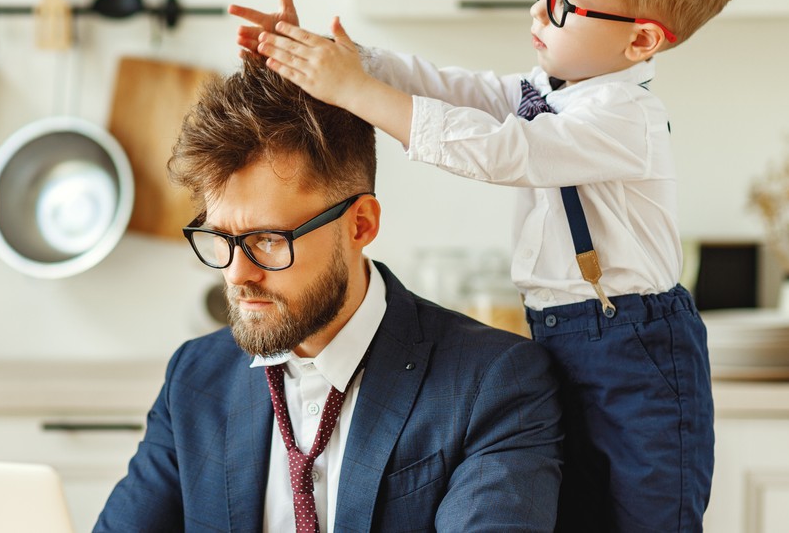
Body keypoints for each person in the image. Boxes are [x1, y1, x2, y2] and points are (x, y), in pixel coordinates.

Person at [228, 0, 741, 530]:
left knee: (645, 517)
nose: (537, 9)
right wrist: (342, 60)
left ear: (641, 40)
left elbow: (502, 151)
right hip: (562, 335)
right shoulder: (552, 89)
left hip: (636, 354)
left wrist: (354, 91)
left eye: (562, 3)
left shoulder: (624, 118)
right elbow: (455, 89)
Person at [93, 58, 565, 532]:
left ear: (360, 224)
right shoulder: (195, 380)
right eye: (222, 237)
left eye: (269, 239)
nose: (237, 274)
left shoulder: (494, 382)